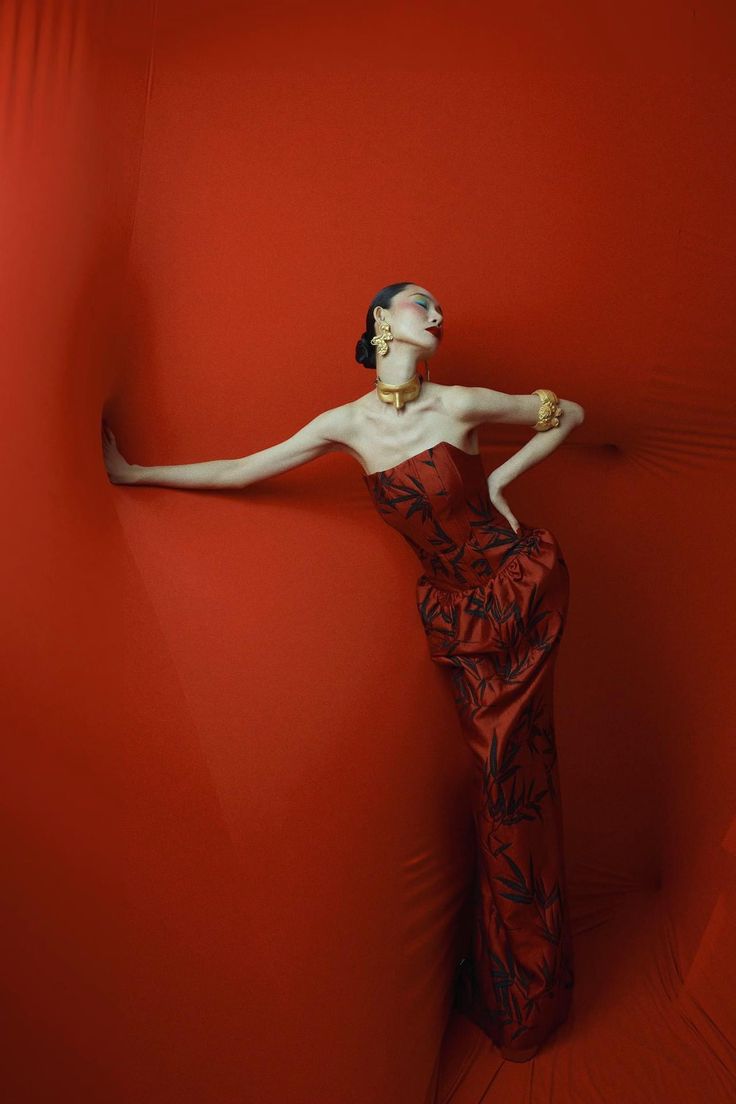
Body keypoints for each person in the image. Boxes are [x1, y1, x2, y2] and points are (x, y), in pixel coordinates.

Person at [102, 281, 585, 1062]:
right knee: (500, 788)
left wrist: (500, 482)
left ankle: (529, 990)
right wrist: (134, 475)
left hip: (521, 596)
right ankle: (512, 977)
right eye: (417, 304)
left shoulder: (458, 403)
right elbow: (243, 468)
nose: (435, 315)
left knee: (509, 782)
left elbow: (571, 413)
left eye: (437, 309)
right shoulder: (346, 424)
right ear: (379, 323)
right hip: (458, 621)